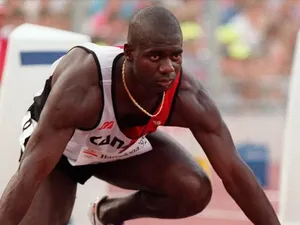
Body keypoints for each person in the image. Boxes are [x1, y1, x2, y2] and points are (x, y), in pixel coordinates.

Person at [0, 6, 280, 225]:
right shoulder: (85, 86)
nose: (168, 68)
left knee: (193, 189)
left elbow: (234, 173)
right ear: (129, 52)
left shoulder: (186, 95)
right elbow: (31, 173)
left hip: (116, 149)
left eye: (175, 56)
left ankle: (108, 212)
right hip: (62, 154)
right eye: (155, 56)